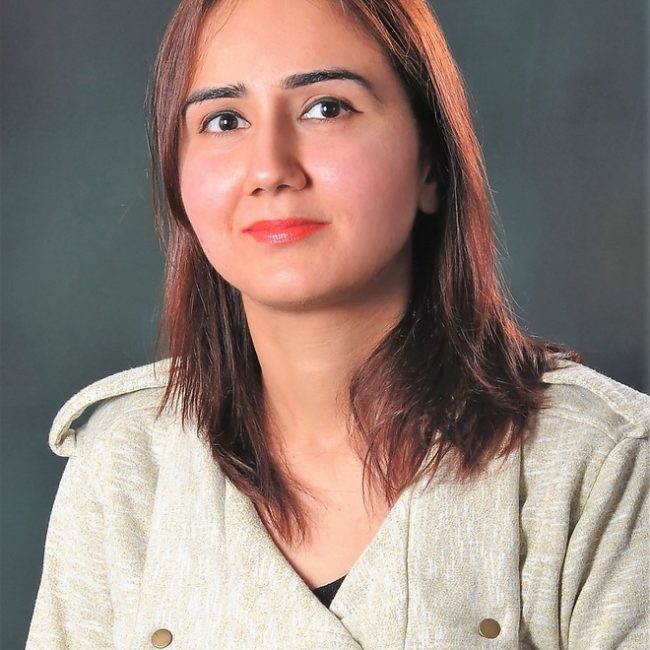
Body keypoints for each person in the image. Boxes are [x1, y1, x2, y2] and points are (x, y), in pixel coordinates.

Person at [27, 0, 648, 648]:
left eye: (326, 108)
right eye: (224, 119)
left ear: (431, 165)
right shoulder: (125, 463)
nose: (270, 169)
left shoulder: (599, 465)